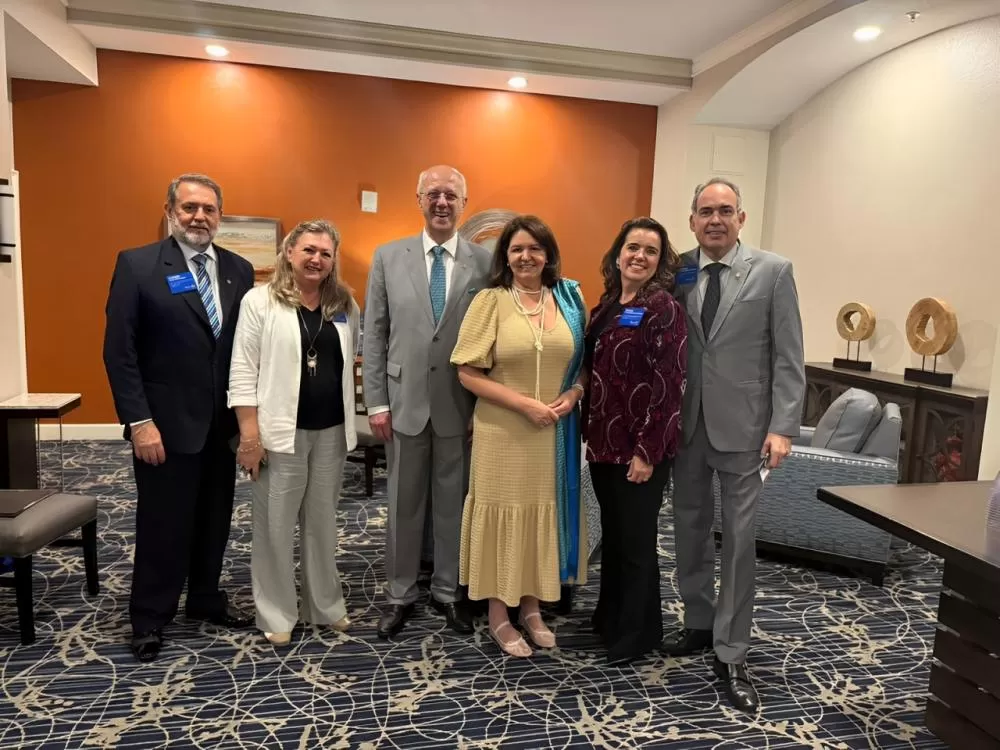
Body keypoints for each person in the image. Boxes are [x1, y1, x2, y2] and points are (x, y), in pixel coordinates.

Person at [665, 178, 805, 712]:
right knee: (689, 530)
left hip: (747, 431)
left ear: (741, 218)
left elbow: (789, 356)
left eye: (725, 211)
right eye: (705, 211)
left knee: (740, 542)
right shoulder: (675, 268)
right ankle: (698, 621)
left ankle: (732, 649)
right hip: (685, 427)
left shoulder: (774, 271)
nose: (715, 220)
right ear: (692, 219)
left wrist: (783, 426)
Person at [103, 173, 255, 663]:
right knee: (163, 524)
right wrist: (138, 421)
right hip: (164, 427)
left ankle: (206, 599)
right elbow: (119, 353)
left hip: (222, 426)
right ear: (170, 210)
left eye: (209, 209)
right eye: (189, 207)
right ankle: (149, 615)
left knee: (215, 519)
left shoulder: (239, 270)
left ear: (220, 216)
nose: (199, 217)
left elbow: (240, 352)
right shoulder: (139, 265)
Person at [363, 165, 492, 638]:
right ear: (418, 198)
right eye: (433, 194)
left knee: (453, 503)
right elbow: (373, 333)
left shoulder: (484, 263)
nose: (442, 202)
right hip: (403, 403)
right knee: (402, 502)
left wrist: (486, 407)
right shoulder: (387, 257)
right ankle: (399, 594)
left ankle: (447, 591)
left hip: (460, 404)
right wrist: (375, 401)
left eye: (451, 196)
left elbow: (492, 340)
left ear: (464, 203)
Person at [450, 215, 588, 657]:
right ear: (505, 257)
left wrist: (574, 393)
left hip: (553, 432)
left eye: (534, 248)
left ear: (548, 254)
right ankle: (497, 614)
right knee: (502, 517)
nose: (525, 256)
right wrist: (525, 404)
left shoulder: (569, 299)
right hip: (503, 431)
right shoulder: (489, 301)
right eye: (516, 249)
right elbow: (467, 373)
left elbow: (584, 361)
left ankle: (531, 608)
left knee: (539, 516)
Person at [228, 219, 360, 647]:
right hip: (278, 434)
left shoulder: (344, 304)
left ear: (332, 259)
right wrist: (250, 436)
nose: (316, 259)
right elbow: (243, 370)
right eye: (308, 250)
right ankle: (277, 611)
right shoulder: (259, 301)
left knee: (323, 525)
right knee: (275, 527)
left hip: (332, 433)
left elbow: (348, 364)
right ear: (289, 252)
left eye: (324, 252)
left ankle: (325, 605)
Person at [582, 217, 687, 666]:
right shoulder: (607, 305)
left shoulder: (664, 307)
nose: (639, 256)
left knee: (637, 544)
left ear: (660, 262)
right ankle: (610, 620)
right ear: (618, 253)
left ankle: (637, 634)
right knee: (616, 538)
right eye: (633, 247)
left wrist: (647, 451)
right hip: (604, 443)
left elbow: (669, 383)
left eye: (650, 250)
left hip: (640, 449)